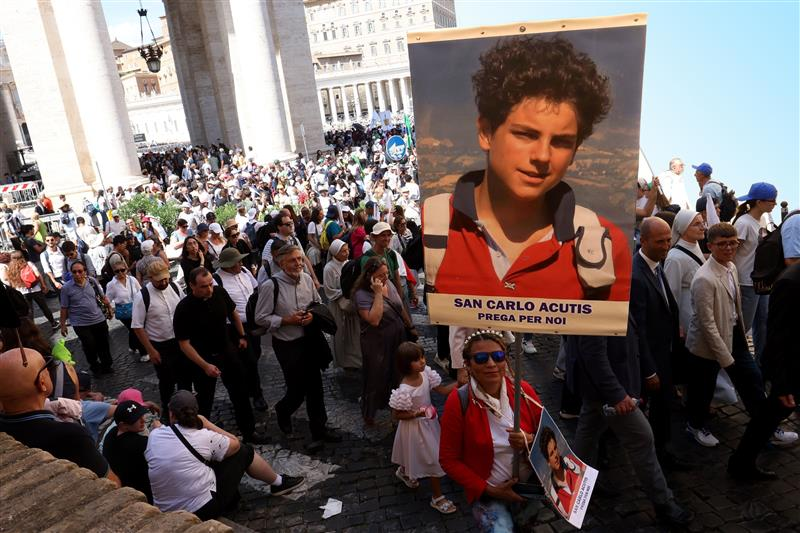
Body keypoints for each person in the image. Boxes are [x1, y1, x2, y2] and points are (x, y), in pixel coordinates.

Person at [422, 36, 631, 300]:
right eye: (526, 135)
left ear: (575, 151)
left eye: (561, 142)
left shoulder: (608, 246)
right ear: (486, 132)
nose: (543, 156)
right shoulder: (432, 225)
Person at [566, 317, 694, 527]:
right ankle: (664, 504)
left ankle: (577, 483)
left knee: (588, 432)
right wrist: (616, 395)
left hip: (604, 387)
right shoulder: (598, 295)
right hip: (607, 389)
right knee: (641, 438)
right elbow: (593, 354)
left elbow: (632, 336)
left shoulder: (617, 290)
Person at [439, 331, 543, 531]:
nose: (491, 364)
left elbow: (548, 436)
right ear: (468, 365)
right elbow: (448, 459)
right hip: (488, 494)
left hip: (528, 488)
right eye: (480, 358)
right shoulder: (458, 401)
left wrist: (529, 439)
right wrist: (490, 490)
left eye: (497, 356)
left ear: (505, 359)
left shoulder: (524, 391)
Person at [146, 390, 304, 519]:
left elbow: (159, 430)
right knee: (244, 451)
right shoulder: (204, 438)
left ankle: (238, 496)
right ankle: (278, 482)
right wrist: (207, 424)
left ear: (171, 414)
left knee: (206, 458)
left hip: (165, 510)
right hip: (199, 510)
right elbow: (235, 443)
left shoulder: (155, 436)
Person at [684, 223, 774, 448]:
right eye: (722, 244)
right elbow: (707, 324)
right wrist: (726, 359)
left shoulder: (732, 267)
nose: (729, 248)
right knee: (702, 391)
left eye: (733, 242)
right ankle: (695, 426)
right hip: (707, 345)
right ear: (711, 246)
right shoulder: (704, 278)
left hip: (734, 335)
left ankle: (767, 426)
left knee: (752, 380)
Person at [253, 245, 340, 451]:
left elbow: (317, 303)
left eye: (300, 259)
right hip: (287, 344)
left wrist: (312, 316)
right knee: (297, 389)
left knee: (316, 388)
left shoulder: (307, 280)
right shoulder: (270, 286)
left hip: (309, 340)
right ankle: (283, 410)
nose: (299, 264)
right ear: (282, 263)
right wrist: (285, 320)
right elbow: (260, 318)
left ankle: (319, 431)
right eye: (293, 260)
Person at [173, 266, 267, 444]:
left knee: (240, 393)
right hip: (203, 360)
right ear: (191, 286)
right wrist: (205, 365)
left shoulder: (219, 292)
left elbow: (233, 313)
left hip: (227, 352)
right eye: (203, 286)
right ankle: (198, 438)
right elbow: (184, 344)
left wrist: (241, 335)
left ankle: (249, 431)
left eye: (210, 284)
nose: (209, 289)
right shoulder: (184, 308)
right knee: (204, 400)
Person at [0, 347, 118, 484]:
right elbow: (111, 482)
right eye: (45, 367)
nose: (49, 370)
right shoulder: (70, 434)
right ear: (42, 383)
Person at [629, 218, 690, 471]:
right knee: (659, 407)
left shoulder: (654, 264)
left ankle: (660, 451)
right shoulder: (637, 275)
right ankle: (659, 455)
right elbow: (638, 328)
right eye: (660, 242)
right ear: (643, 241)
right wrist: (649, 369)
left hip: (663, 351)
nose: (667, 246)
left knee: (663, 406)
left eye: (668, 240)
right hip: (651, 358)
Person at [729, 262, 800, 479]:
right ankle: (741, 463)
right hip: (790, 367)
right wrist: (781, 383)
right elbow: (776, 336)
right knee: (771, 414)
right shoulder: (790, 282)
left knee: (771, 414)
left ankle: (741, 462)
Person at [389, 342, 457, 514]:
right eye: (417, 360)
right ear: (405, 365)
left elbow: (442, 391)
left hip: (430, 423)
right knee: (433, 458)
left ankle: (404, 472)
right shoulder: (404, 390)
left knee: (412, 452)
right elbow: (397, 415)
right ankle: (437, 497)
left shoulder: (426, 374)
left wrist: (459, 383)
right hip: (414, 426)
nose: (422, 362)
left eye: (422, 357)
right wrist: (417, 414)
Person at [354, 257, 417, 426]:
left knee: (397, 374)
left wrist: (409, 326)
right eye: (380, 275)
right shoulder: (361, 295)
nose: (385, 278)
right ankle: (369, 411)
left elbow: (399, 306)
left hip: (397, 337)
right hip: (377, 343)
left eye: (386, 273)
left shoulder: (389, 284)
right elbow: (374, 319)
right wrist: (377, 294)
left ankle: (396, 408)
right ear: (369, 276)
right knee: (376, 377)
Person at [132, 261, 189, 421]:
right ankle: (167, 409)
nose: (164, 282)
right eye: (159, 280)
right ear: (150, 278)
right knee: (166, 382)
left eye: (166, 279)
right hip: (160, 346)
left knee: (184, 377)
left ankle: (185, 409)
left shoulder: (176, 288)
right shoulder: (142, 296)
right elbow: (137, 326)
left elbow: (184, 310)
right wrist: (150, 350)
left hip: (180, 342)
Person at [212, 248, 267, 412]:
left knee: (254, 355)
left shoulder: (244, 271)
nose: (241, 264)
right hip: (232, 329)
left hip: (251, 324)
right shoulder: (216, 280)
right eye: (237, 262)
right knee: (245, 361)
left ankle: (252, 389)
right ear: (228, 265)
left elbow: (256, 288)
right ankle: (255, 394)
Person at [732, 182, 778, 362]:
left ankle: (760, 364)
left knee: (764, 324)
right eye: (772, 200)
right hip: (746, 282)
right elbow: (732, 252)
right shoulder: (743, 223)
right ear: (759, 202)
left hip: (761, 282)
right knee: (744, 327)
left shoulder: (761, 221)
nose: (775, 203)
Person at [60, 260, 113, 376]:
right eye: (74, 272)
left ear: (85, 271)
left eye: (80, 271)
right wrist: (63, 325)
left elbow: (102, 297)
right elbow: (64, 307)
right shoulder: (66, 288)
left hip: (98, 319)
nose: (77, 274)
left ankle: (107, 365)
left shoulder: (92, 281)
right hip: (80, 323)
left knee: (103, 343)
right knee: (89, 345)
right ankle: (94, 366)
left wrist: (109, 308)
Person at [102, 399, 159, 502]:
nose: (143, 420)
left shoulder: (111, 434)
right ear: (123, 425)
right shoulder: (141, 443)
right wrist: (159, 432)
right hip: (141, 493)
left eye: (142, 415)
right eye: (135, 419)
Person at [663, 209, 706, 336]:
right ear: (683, 228)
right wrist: (676, 324)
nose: (703, 227)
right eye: (696, 224)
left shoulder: (694, 244)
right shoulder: (675, 258)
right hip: (688, 317)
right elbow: (671, 294)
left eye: (702, 223)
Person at [323, 239, 362, 370]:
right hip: (337, 306)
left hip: (350, 303)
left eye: (347, 250)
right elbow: (329, 290)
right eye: (343, 251)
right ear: (335, 253)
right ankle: (343, 361)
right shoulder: (328, 268)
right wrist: (346, 290)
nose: (347, 253)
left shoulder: (349, 264)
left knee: (354, 333)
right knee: (340, 332)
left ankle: (354, 359)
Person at [104, 256, 147, 362]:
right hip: (124, 311)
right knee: (135, 330)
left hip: (136, 308)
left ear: (126, 269)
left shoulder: (132, 280)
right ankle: (144, 352)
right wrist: (109, 309)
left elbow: (140, 292)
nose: (120, 273)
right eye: (117, 271)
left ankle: (132, 346)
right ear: (113, 272)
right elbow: (108, 299)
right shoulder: (111, 285)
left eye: (122, 270)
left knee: (134, 330)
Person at [4, 250, 58, 327]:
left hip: (22, 292)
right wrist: (43, 285)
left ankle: (32, 328)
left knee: (29, 311)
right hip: (35, 289)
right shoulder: (28, 264)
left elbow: (9, 281)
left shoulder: (10, 268)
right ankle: (53, 323)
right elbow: (38, 274)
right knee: (44, 307)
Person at [539, 426, 584, 516]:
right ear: (548, 461)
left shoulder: (572, 464)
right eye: (551, 453)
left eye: (555, 448)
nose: (555, 455)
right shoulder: (553, 493)